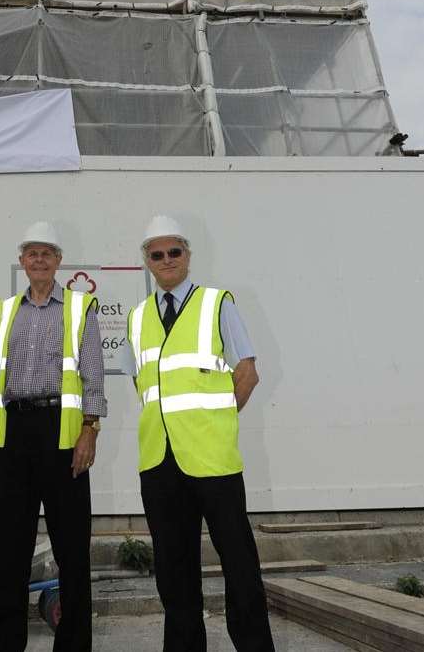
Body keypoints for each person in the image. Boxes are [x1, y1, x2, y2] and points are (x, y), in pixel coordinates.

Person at [123, 215, 274, 652]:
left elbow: (246, 373)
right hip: (159, 463)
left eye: (175, 252)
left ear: (188, 256)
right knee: (173, 572)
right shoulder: (136, 318)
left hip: (213, 460)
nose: (167, 260)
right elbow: (144, 385)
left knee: (240, 565)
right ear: (147, 262)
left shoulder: (216, 303)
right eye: (157, 254)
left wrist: (220, 418)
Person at [0, 221, 106, 652]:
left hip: (62, 436)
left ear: (58, 262)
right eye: (31, 253)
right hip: (13, 434)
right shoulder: (6, 310)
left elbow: (93, 374)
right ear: (22, 262)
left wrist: (90, 430)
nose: (38, 260)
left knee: (72, 550)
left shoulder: (79, 307)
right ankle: (3, 644)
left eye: (46, 253)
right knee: (10, 551)